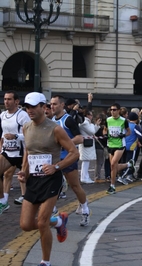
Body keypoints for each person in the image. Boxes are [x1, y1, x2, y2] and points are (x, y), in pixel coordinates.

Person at [18, 92, 79, 266]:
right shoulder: (26, 127)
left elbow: (74, 153)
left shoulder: (55, 129)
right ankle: (59, 221)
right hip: (34, 180)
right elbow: (29, 152)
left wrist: (56, 166)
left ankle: (45, 261)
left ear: (43, 107)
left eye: (33, 107)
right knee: (26, 224)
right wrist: (24, 172)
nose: (29, 110)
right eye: (27, 107)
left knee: (42, 222)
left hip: (51, 179)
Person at [50, 95, 91, 226]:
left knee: (75, 185)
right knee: (50, 185)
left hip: (68, 157)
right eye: (51, 104)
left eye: (55, 104)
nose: (52, 106)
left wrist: (65, 144)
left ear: (62, 105)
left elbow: (80, 138)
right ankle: (52, 210)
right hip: (55, 158)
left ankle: (85, 210)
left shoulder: (68, 120)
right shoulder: (51, 120)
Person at [0, 91, 30, 213]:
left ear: (16, 101)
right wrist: (2, 148)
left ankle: (49, 208)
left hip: (22, 153)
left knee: (30, 181)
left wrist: (15, 136)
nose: (6, 101)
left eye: (9, 99)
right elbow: (3, 134)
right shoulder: (2, 115)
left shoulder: (22, 115)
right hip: (8, 153)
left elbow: (29, 135)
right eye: (5, 99)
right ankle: (3, 202)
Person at [103, 103, 134, 194]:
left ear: (119, 111)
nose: (112, 111)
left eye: (114, 110)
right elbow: (105, 129)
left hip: (120, 145)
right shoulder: (108, 120)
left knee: (113, 164)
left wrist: (123, 135)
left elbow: (129, 132)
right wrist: (105, 135)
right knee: (113, 167)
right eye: (111, 110)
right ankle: (128, 165)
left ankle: (112, 186)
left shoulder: (123, 120)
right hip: (110, 144)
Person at [78, 109, 98, 184]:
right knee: (85, 160)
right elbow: (92, 131)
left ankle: (85, 176)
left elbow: (92, 132)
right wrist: (94, 125)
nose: (92, 116)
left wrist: (96, 126)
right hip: (85, 143)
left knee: (87, 160)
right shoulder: (85, 123)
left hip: (87, 143)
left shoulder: (87, 123)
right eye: (91, 115)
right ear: (87, 115)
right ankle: (84, 177)